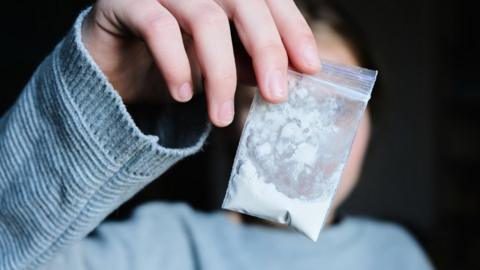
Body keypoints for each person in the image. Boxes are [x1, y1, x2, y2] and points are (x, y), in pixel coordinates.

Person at [0, 0, 433, 270]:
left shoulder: (396, 255)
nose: (306, 139)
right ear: (229, 124)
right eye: (274, 103)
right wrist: (89, 89)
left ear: (371, 121)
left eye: (337, 110)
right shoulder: (157, 246)